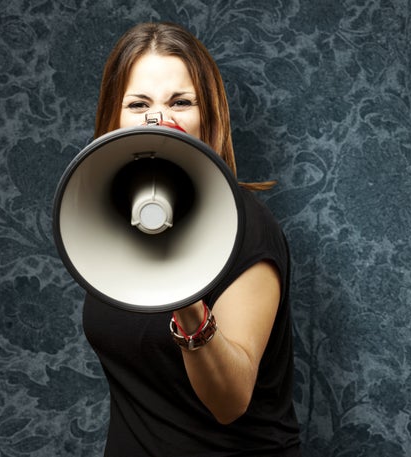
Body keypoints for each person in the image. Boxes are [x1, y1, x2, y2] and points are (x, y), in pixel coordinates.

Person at [82, 22, 301, 456]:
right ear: (113, 117)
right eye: (138, 103)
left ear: (208, 118)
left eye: (180, 102)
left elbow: (230, 401)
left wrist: (186, 296)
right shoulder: (111, 224)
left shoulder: (248, 229)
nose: (159, 118)